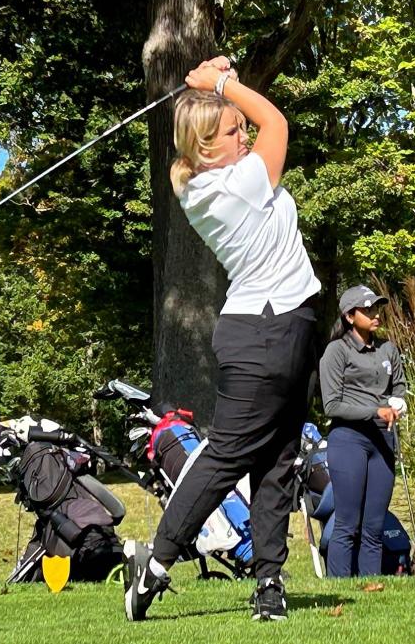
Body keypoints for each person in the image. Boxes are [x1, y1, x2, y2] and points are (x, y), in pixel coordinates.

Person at [123, 56, 321, 622]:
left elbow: (262, 128)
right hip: (264, 331)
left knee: (279, 458)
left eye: (240, 127)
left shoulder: (225, 178)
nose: (245, 135)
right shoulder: (229, 187)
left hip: (286, 327)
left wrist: (221, 81)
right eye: (234, 131)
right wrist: (223, 84)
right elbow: (278, 124)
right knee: (227, 456)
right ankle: (155, 565)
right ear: (206, 149)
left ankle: (269, 582)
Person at [319, 285, 409, 577]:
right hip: (348, 441)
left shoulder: (387, 349)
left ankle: (372, 593)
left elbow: (399, 387)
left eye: (376, 308)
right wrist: (374, 411)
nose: (375, 314)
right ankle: (339, 591)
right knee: (348, 523)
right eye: (367, 309)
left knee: (374, 525)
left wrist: (398, 403)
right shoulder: (336, 351)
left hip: (382, 440)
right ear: (349, 316)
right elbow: (331, 405)